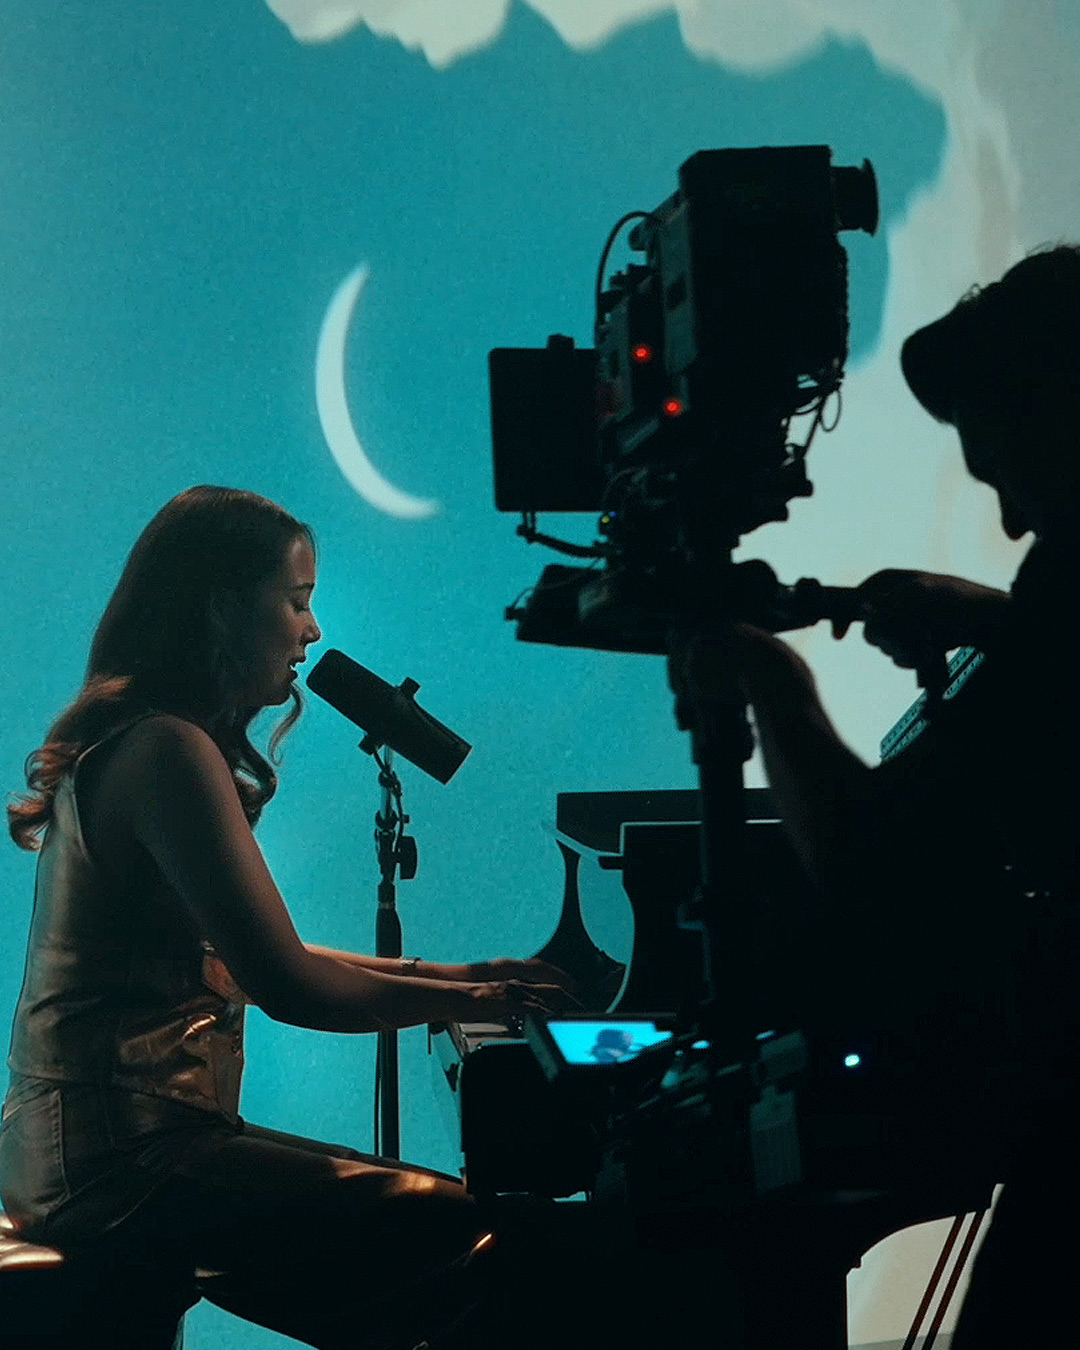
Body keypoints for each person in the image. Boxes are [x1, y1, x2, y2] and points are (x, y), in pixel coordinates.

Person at [0, 485, 574, 1348]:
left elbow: (265, 955)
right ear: (221, 607)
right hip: (122, 1162)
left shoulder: (144, 740)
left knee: (413, 1239)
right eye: (297, 600)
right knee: (463, 1234)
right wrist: (478, 1004)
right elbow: (289, 984)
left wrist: (468, 978)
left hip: (96, 1151)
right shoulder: (166, 750)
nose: (311, 630)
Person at [678, 246, 1079, 1343]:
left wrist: (768, 679)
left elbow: (874, 871)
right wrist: (999, 620)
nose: (1006, 521)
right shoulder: (1049, 599)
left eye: (1013, 477)